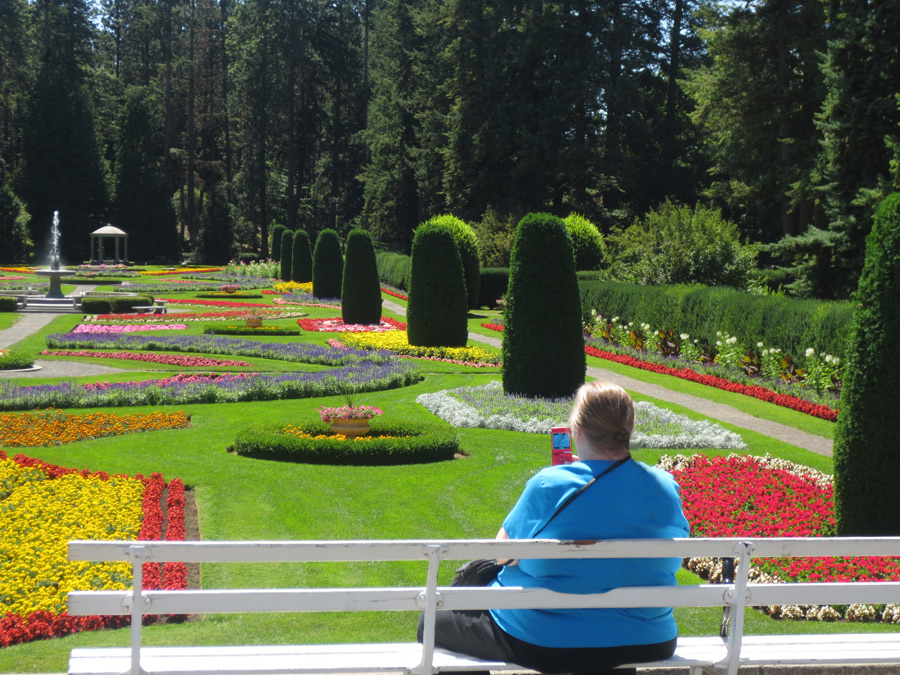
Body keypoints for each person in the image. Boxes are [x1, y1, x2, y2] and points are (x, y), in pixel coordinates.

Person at [418, 380, 690, 674]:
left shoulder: (551, 485)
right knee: (608, 639)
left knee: (430, 624)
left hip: (547, 641)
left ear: (577, 431)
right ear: (628, 430)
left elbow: (502, 555)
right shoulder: (665, 486)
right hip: (650, 639)